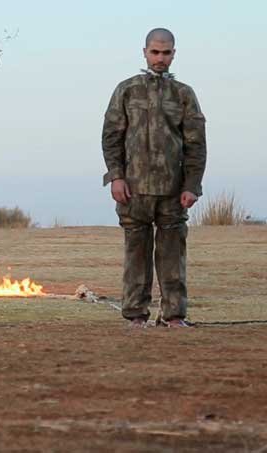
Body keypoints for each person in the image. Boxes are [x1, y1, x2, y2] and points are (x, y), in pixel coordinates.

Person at [101, 28, 207, 328]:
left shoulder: (184, 94)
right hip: (133, 190)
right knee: (136, 252)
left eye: (166, 52)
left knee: (173, 253)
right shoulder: (127, 90)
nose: (160, 58)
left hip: (173, 191)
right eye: (155, 52)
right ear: (145, 52)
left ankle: (173, 315)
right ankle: (135, 314)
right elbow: (111, 137)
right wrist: (116, 177)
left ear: (174, 54)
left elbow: (196, 144)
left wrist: (192, 185)